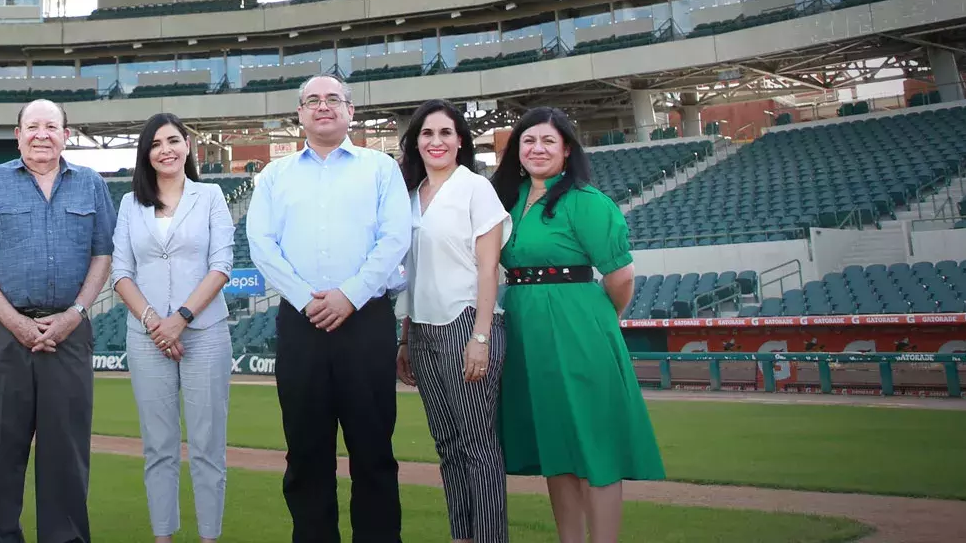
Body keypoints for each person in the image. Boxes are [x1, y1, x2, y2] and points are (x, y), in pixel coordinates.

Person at [246, 73, 414, 543]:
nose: (323, 106)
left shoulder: (380, 168)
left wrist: (350, 295)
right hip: (301, 326)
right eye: (312, 100)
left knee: (373, 450)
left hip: (367, 323)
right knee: (305, 451)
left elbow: (395, 238)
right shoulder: (274, 175)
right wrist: (306, 299)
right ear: (299, 113)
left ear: (350, 112)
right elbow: (261, 245)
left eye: (333, 99)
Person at [490, 107, 663, 543]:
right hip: (525, 327)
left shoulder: (587, 202)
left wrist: (601, 323)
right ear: (517, 151)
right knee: (557, 444)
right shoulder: (506, 201)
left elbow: (620, 279)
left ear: (567, 150)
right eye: (528, 141)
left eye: (549, 141)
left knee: (595, 442)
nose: (537, 148)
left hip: (580, 324)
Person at [0, 98, 116, 543]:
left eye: (51, 126)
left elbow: (103, 254)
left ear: (66, 134)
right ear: (18, 134)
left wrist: (75, 313)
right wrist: (14, 322)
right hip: (3, 332)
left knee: (66, 450)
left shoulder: (91, 184)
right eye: (32, 126)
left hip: (70, 330)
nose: (41, 134)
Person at [110, 113, 235, 543]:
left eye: (173, 140)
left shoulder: (212, 195)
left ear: (187, 146)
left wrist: (180, 319)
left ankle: (209, 537)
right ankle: (162, 536)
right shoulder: (130, 203)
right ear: (146, 154)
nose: (166, 149)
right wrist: (154, 323)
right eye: (156, 143)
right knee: (158, 448)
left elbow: (222, 266)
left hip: (204, 331)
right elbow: (121, 272)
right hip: (146, 337)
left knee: (207, 448)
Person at [394, 100, 511, 543]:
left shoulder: (475, 189)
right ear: (416, 142)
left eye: (445, 133)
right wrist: (406, 340)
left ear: (460, 140)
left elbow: (488, 269)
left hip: (468, 323)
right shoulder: (410, 196)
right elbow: (413, 276)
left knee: (478, 447)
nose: (436, 141)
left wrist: (480, 336)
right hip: (422, 330)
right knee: (448, 448)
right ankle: (462, 536)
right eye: (427, 134)